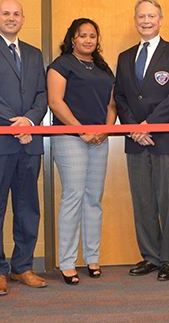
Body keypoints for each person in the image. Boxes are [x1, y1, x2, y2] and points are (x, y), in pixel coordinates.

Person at [0, 0, 48, 296]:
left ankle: (22, 266)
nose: (11, 18)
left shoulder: (33, 52)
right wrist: (16, 125)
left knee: (28, 207)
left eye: (16, 14)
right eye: (6, 13)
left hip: (29, 142)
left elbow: (41, 94)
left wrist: (29, 121)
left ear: (23, 19)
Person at [113, 0, 169, 281]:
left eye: (151, 16)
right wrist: (135, 127)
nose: (146, 20)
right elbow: (120, 96)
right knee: (143, 201)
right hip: (136, 140)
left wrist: (150, 125)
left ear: (161, 20)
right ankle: (150, 256)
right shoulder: (124, 57)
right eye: (141, 16)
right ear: (135, 21)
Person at [47, 18, 117, 285]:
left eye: (92, 36)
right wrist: (82, 130)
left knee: (93, 200)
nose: (88, 40)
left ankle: (92, 257)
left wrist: (105, 131)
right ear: (72, 39)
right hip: (69, 137)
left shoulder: (102, 67)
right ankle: (66, 262)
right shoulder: (62, 64)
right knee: (73, 197)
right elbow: (55, 102)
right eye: (82, 35)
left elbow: (112, 104)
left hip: (99, 139)